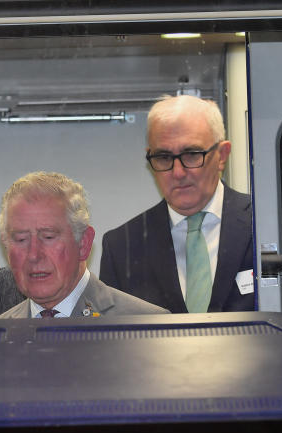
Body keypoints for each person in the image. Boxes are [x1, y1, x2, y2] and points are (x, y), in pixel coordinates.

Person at [99, 95, 255, 313]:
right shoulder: (121, 247)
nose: (178, 172)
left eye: (191, 154)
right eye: (163, 157)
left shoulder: (265, 225)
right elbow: (115, 342)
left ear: (221, 155)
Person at [0, 171, 167, 319]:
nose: (33, 255)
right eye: (20, 239)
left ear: (83, 244)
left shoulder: (146, 325)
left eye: (48, 237)